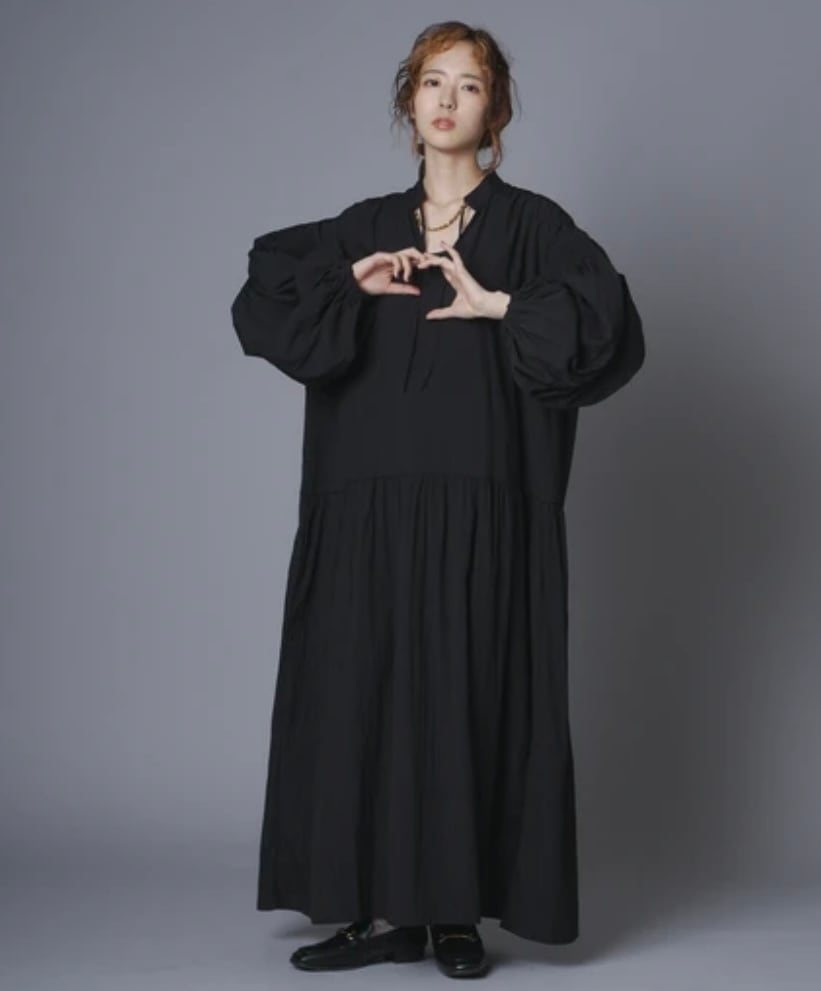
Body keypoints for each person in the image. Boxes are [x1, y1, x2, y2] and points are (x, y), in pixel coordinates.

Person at [230, 20, 645, 979]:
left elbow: (606, 328)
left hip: (485, 506)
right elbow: (266, 294)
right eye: (431, 81)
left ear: (494, 110)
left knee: (469, 692)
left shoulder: (534, 228)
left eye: (468, 83)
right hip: (365, 508)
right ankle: (380, 913)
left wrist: (500, 305)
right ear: (408, 102)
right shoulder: (362, 226)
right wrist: (348, 281)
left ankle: (455, 913)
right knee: (362, 690)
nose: (447, 98)